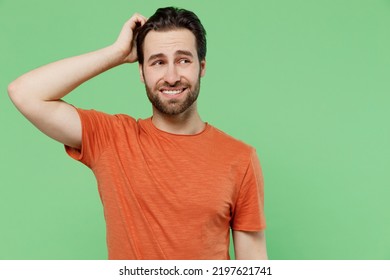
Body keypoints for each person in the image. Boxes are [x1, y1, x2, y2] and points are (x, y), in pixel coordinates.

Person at [8, 7, 267, 260]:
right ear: (141, 72)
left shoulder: (240, 158)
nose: (172, 76)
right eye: (158, 62)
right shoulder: (111, 138)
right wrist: (116, 53)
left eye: (183, 60)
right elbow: (24, 92)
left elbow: (253, 264)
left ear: (202, 67)